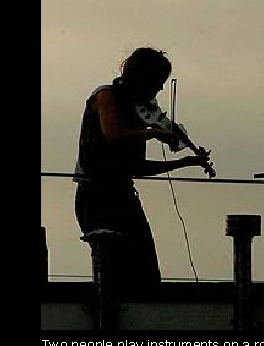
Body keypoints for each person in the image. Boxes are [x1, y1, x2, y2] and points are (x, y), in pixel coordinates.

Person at [73, 47, 212, 289]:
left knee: (146, 271)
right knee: (113, 273)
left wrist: (185, 162)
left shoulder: (137, 114)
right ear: (140, 77)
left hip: (123, 196)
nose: (159, 89)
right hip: (95, 196)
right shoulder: (105, 96)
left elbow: (137, 168)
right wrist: (152, 132)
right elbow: (113, 135)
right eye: (157, 82)